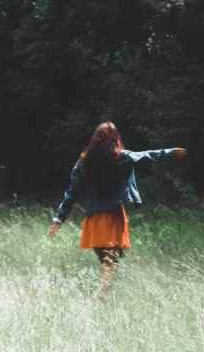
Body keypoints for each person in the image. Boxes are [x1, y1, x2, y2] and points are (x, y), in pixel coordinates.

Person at [47, 121, 187, 298]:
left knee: (107, 261)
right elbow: (146, 155)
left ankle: (103, 295)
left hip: (94, 219)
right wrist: (171, 153)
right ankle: (101, 295)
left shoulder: (84, 161)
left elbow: (71, 192)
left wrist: (58, 219)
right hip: (113, 217)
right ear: (116, 139)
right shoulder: (121, 157)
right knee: (111, 262)